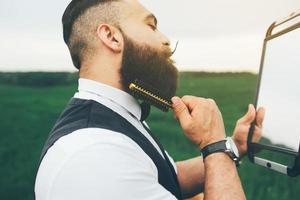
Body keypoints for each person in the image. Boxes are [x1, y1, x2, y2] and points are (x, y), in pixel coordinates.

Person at [34, 0, 265, 199]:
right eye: (151, 26)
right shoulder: (94, 155)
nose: (165, 39)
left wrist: (234, 145)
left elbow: (168, 176)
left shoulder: (116, 114)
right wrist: (214, 145)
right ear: (111, 36)